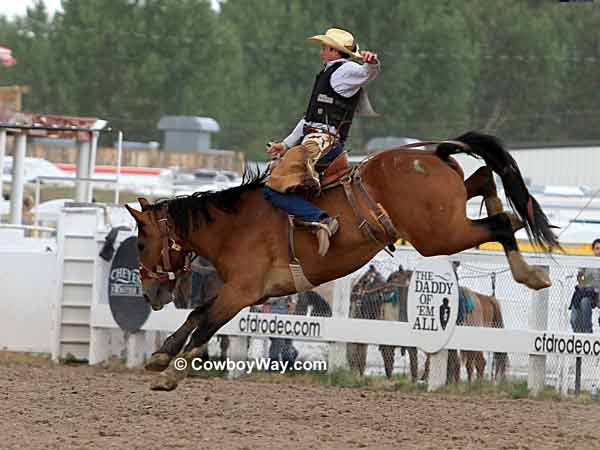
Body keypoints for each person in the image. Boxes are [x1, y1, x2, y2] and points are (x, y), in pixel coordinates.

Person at [264, 27, 381, 256]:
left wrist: (371, 64)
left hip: (321, 142)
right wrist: (285, 144)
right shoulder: (331, 73)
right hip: (315, 138)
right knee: (275, 179)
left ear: (335, 51)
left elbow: (366, 73)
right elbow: (308, 119)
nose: (321, 52)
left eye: (324, 48)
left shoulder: (344, 70)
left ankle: (321, 219)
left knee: (273, 189)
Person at [571, 238, 600, 333]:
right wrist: (582, 283)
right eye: (597, 248)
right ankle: (579, 335)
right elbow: (580, 276)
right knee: (573, 319)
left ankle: (588, 332)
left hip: (596, 294)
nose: (599, 251)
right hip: (585, 291)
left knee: (585, 302)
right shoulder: (588, 260)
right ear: (593, 249)